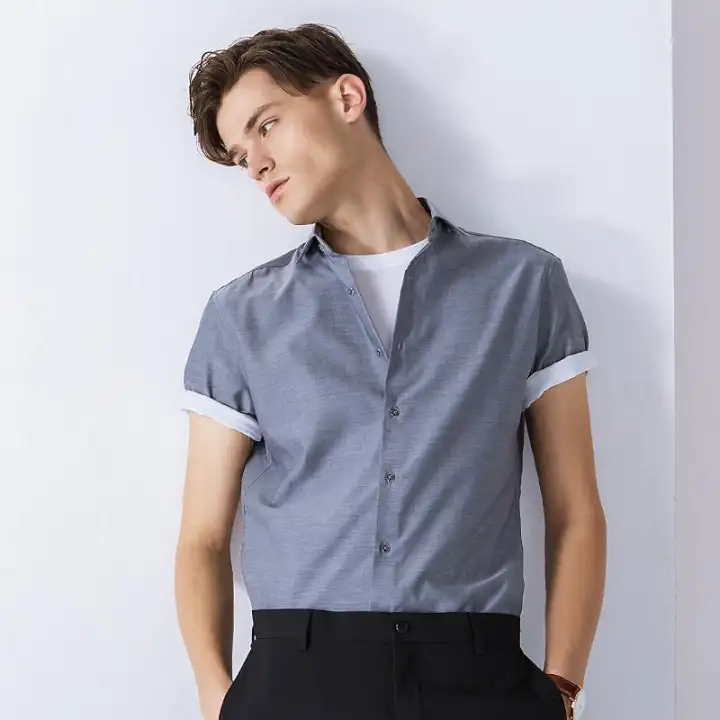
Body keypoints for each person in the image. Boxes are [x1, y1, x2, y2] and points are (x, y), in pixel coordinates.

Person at [174, 22, 606, 720]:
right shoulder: (240, 315)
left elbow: (575, 507)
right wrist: (217, 697)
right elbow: (202, 536)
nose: (255, 164)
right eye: (241, 154)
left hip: (480, 676)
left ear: (347, 98)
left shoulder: (524, 285)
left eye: (267, 125)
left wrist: (562, 688)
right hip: (295, 678)